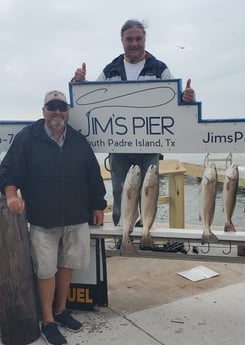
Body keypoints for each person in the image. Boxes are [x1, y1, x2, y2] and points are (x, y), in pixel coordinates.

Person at [0, 90, 107, 345]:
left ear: (67, 111)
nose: (57, 112)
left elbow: (93, 175)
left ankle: (61, 310)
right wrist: (12, 195)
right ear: (43, 110)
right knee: (45, 270)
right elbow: (8, 170)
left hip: (75, 216)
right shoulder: (27, 138)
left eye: (61, 107)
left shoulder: (78, 141)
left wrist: (99, 205)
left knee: (67, 264)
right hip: (42, 219)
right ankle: (48, 321)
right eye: (52, 107)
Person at [71, 19, 195, 227]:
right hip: (119, 147)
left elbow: (176, 102)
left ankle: (146, 231)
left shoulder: (159, 68)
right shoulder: (110, 70)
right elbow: (90, 98)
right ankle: (124, 233)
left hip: (150, 147)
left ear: (144, 40)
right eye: (130, 39)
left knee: (150, 191)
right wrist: (79, 84)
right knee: (121, 191)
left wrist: (187, 98)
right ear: (122, 41)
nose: (134, 43)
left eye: (138, 38)